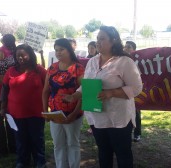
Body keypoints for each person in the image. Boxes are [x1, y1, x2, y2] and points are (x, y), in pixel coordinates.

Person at [63, 26, 142, 168]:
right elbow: (87, 85)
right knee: (104, 153)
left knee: (123, 154)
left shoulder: (125, 62)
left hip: (119, 119)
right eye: (97, 38)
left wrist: (111, 93)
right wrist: (75, 95)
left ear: (114, 41)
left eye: (102, 38)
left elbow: (136, 88)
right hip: (97, 117)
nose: (98, 42)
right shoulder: (92, 61)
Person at [1, 44, 47, 168]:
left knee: (37, 139)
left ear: (30, 55)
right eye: (18, 56)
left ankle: (40, 161)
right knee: (20, 139)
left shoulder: (39, 70)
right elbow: (5, 89)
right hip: (16, 113)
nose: (20, 58)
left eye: (23, 55)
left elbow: (48, 88)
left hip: (36, 113)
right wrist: (2, 106)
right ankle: (22, 161)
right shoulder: (11, 71)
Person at [42, 38, 84, 168]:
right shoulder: (52, 68)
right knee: (58, 144)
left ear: (69, 50)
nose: (58, 53)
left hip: (73, 114)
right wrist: (45, 112)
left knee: (72, 143)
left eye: (61, 49)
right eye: (56, 50)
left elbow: (84, 93)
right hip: (55, 114)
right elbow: (45, 91)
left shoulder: (78, 68)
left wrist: (74, 114)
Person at [124, 41, 142, 142]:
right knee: (127, 112)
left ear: (134, 49)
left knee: (136, 112)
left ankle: (137, 133)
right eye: (125, 47)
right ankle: (128, 132)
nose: (126, 49)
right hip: (124, 92)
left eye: (129, 47)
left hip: (135, 91)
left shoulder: (138, 61)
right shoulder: (121, 59)